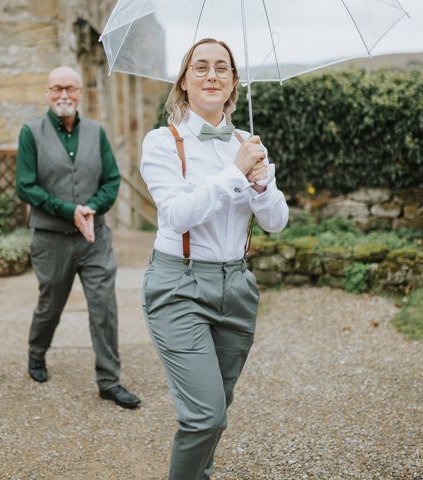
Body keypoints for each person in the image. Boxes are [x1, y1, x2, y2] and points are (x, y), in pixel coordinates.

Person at [140, 38, 289, 479]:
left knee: (216, 407)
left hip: (237, 286)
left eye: (221, 69)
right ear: (184, 82)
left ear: (233, 83)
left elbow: (276, 222)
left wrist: (262, 184)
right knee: (205, 415)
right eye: (200, 68)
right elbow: (176, 215)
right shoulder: (162, 142)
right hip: (179, 285)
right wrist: (234, 172)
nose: (211, 75)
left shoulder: (248, 143)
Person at [15, 66, 140, 409]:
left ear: (81, 93)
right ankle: (37, 353)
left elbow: (111, 180)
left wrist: (90, 209)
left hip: (94, 238)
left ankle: (109, 380)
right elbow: (25, 186)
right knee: (50, 305)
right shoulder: (31, 132)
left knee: (104, 308)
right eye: (56, 88)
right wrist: (67, 210)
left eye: (70, 88)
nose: (64, 95)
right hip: (51, 239)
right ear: (47, 92)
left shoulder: (97, 132)